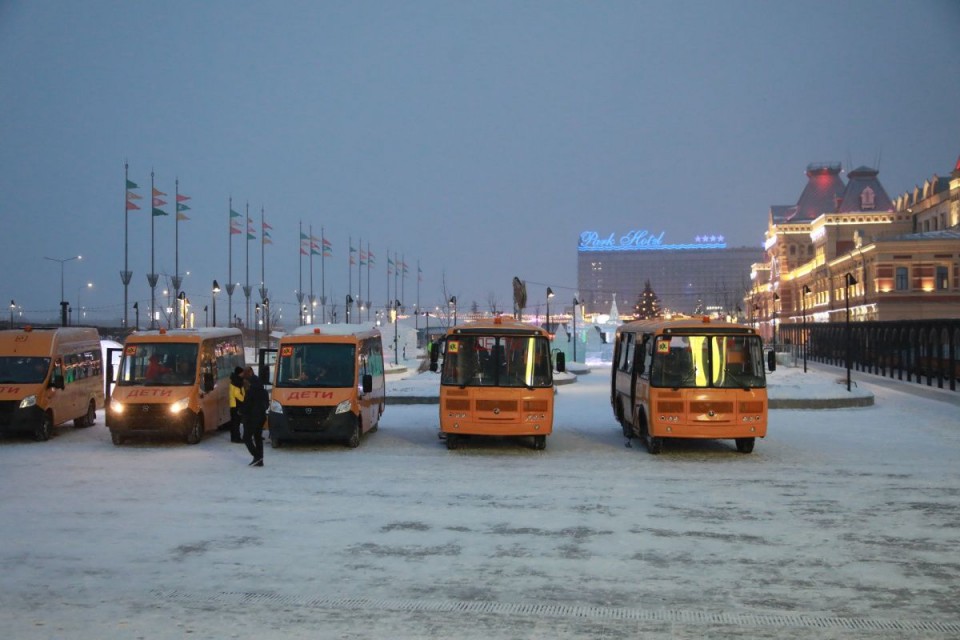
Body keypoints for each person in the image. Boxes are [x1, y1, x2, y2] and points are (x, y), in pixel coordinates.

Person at [240, 366, 268, 467]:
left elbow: (247, 404)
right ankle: (260, 459)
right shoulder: (260, 385)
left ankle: (257, 457)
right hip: (260, 416)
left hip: (252, 417)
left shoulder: (251, 388)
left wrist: (241, 411)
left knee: (246, 437)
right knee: (257, 437)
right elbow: (265, 401)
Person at [228, 366, 245, 443]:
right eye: (242, 373)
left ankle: (233, 437)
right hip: (236, 404)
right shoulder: (237, 382)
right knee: (236, 423)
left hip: (233, 404)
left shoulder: (234, 380)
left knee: (234, 422)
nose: (243, 374)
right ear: (239, 373)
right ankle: (236, 438)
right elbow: (237, 394)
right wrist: (244, 399)